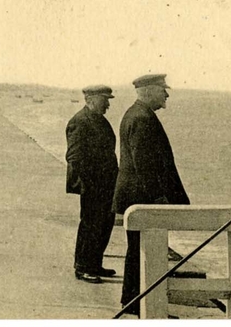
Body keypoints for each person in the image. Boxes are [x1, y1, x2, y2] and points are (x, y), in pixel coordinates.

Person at [112, 74, 190, 314]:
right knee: (142, 251)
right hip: (143, 198)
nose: (166, 94)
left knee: (137, 250)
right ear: (147, 91)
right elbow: (144, 165)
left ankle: (133, 300)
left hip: (137, 196)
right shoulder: (142, 118)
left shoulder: (136, 114)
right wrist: (159, 199)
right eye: (162, 90)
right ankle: (138, 303)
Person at [65, 85, 119, 284]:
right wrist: (91, 182)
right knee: (90, 225)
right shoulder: (80, 121)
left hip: (105, 185)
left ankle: (95, 263)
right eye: (105, 99)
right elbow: (74, 157)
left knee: (104, 225)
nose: (108, 104)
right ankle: (83, 267)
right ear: (92, 98)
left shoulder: (99, 120)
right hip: (93, 186)